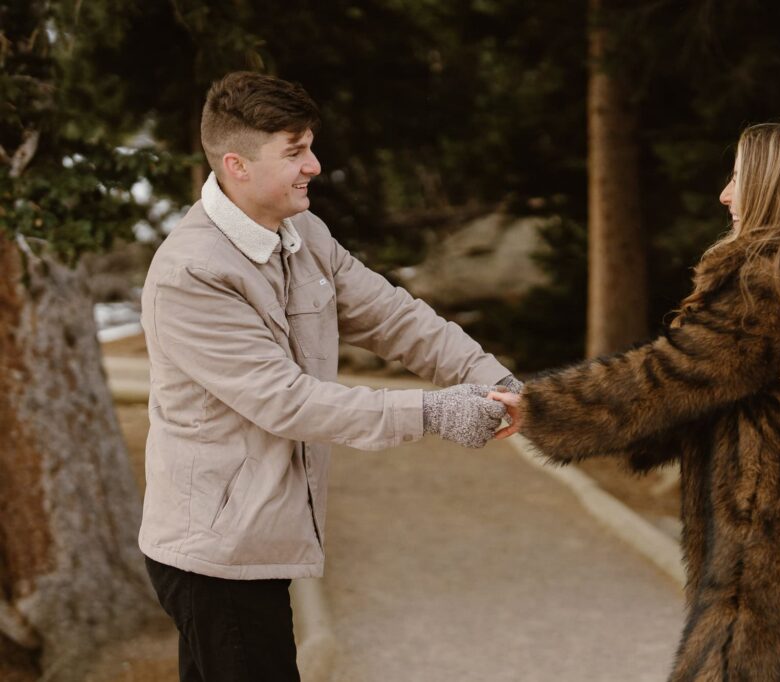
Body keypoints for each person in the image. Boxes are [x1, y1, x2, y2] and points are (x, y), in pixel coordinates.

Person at [491, 123, 780, 681]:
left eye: (739, 176)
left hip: (766, 571)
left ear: (776, 185)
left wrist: (540, 408)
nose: (725, 194)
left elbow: (669, 376)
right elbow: (722, 398)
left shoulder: (776, 275)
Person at [138, 71, 521, 682]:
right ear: (236, 165)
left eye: (310, 146)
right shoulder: (193, 273)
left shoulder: (303, 234)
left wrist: (494, 379)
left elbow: (393, 316)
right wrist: (434, 411)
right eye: (294, 152)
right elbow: (289, 403)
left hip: (256, 541)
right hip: (216, 556)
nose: (314, 165)